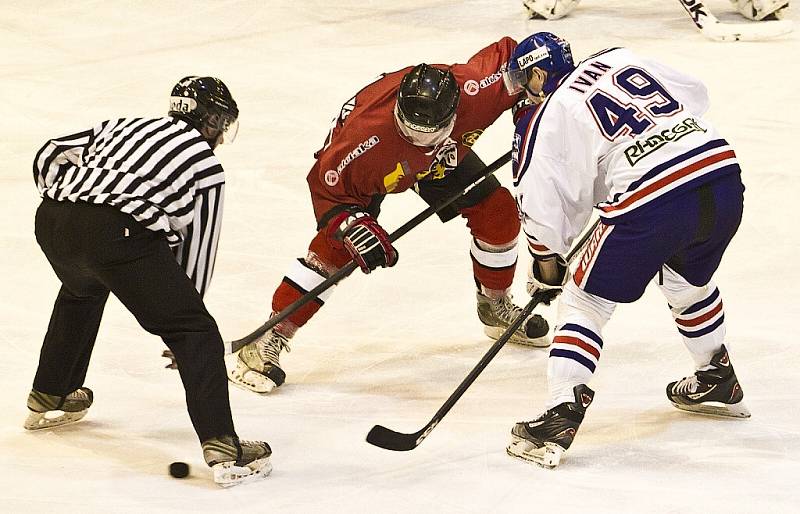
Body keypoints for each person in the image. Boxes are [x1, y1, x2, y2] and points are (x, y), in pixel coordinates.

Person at [227, 38, 551, 395]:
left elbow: (526, 58)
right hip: (376, 166)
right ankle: (268, 336)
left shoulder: (478, 86)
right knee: (335, 250)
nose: (417, 138)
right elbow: (325, 187)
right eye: (410, 130)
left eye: (427, 134)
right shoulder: (363, 142)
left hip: (442, 157)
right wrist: (348, 223)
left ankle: (494, 304)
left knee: (499, 212)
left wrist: (536, 99)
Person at [500, 33, 750, 468]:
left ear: (540, 74)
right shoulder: (619, 57)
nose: (524, 90)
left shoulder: (548, 114)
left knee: (584, 298)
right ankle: (716, 374)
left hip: (655, 201)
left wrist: (547, 264)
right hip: (722, 175)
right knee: (687, 280)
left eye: (526, 80)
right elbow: (696, 94)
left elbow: (542, 204)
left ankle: (561, 412)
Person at [26, 76, 270, 487]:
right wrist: (181, 328)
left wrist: (61, 196)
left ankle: (51, 392)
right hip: (114, 233)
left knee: (82, 289)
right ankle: (222, 445)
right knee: (197, 331)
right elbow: (198, 246)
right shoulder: (205, 163)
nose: (220, 137)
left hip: (52, 221)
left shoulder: (122, 125)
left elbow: (51, 151)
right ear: (209, 120)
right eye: (221, 125)